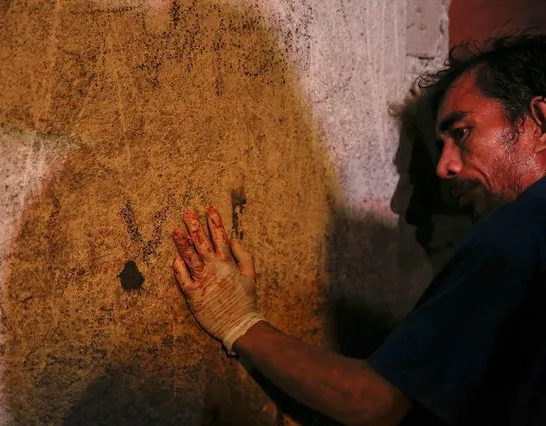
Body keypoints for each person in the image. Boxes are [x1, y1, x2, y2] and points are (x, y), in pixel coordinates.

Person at [171, 35, 546, 426]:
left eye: (462, 132)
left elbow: (374, 403)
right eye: (441, 145)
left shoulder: (520, 229)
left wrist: (240, 324)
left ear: (539, 122)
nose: (444, 168)